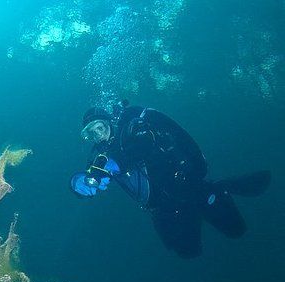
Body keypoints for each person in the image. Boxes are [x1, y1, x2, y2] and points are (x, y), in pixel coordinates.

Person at [71, 101, 271, 258]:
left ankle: (220, 189)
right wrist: (77, 183)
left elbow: (131, 154)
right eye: (91, 133)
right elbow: (91, 173)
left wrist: (108, 167)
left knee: (237, 231)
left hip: (188, 190)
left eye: (100, 127)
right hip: (164, 208)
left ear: (109, 123)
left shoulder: (134, 130)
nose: (99, 135)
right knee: (188, 253)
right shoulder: (102, 154)